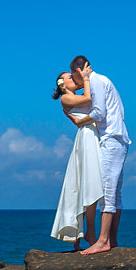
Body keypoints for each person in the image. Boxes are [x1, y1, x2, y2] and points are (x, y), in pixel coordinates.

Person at [67, 55, 127, 254]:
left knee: (107, 193)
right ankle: (111, 240)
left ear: (78, 71)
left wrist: (79, 122)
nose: (78, 83)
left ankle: (103, 241)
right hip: (116, 140)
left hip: (111, 140)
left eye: (74, 77)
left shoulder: (96, 81)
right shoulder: (100, 81)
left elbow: (99, 113)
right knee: (114, 195)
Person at [49, 71, 102, 248]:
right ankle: (89, 233)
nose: (75, 78)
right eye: (70, 77)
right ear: (62, 85)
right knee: (87, 184)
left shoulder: (76, 95)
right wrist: (86, 78)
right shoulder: (65, 99)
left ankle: (86, 232)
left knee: (91, 185)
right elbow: (88, 99)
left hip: (92, 136)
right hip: (86, 138)